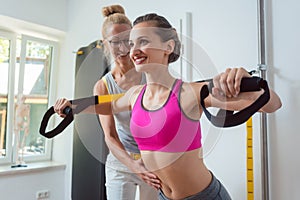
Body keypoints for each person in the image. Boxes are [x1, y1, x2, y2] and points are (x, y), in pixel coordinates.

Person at [55, 13, 282, 200]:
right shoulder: (135, 95)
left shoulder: (191, 93)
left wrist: (247, 84)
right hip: (163, 196)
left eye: (142, 41)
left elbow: (272, 104)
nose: (132, 50)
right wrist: (73, 106)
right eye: (132, 43)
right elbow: (107, 105)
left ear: (168, 46)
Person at [95, 5, 159, 200]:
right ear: (105, 44)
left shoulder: (151, 73)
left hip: (153, 159)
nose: (123, 48)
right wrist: (133, 166)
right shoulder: (103, 86)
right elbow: (110, 136)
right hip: (121, 162)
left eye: (127, 40)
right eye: (115, 42)